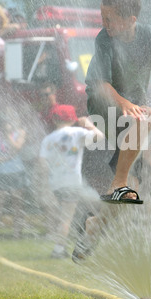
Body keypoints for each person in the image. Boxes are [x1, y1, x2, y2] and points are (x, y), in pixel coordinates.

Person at [84, 0, 151, 204]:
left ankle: (94, 224)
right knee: (147, 117)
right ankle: (118, 183)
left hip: (131, 109)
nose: (105, 23)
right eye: (103, 17)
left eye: (109, 19)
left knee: (134, 184)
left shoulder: (149, 36)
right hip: (103, 104)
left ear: (131, 20)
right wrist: (123, 103)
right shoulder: (104, 39)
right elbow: (101, 84)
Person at [38, 104, 104, 258]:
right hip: (72, 183)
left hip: (56, 184)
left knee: (77, 210)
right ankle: (59, 250)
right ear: (73, 119)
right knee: (67, 217)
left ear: (54, 119)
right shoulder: (76, 132)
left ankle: (82, 237)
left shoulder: (48, 139)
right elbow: (99, 136)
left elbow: (42, 163)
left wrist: (46, 184)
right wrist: (88, 124)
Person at [0, 109, 27, 239]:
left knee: (17, 204)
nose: (9, 122)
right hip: (0, 173)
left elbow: (17, 147)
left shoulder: (20, 132)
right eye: (7, 119)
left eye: (12, 119)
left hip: (17, 172)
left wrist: (8, 135)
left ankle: (17, 234)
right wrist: (0, 159)